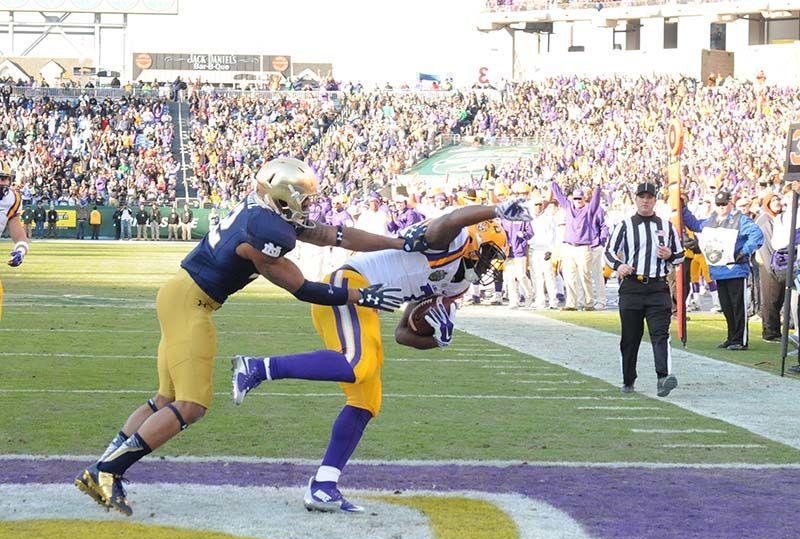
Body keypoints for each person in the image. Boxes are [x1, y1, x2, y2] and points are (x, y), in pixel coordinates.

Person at [74, 157, 428, 516]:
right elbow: (302, 288)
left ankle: (102, 469)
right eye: (303, 199)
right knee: (191, 405)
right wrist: (359, 295)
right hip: (192, 304)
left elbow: (332, 235)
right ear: (283, 196)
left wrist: (398, 244)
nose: (309, 206)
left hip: (178, 294)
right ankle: (107, 470)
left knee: (165, 399)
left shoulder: (265, 213)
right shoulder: (266, 232)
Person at [229, 195, 532, 513]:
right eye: (487, 254)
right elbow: (452, 219)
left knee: (366, 401)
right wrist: (496, 209)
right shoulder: (451, 240)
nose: (487, 265)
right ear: (476, 241)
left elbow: (404, 334)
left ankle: (323, 486)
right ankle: (257, 368)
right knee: (355, 362)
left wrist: (439, 341)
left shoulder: (456, 288)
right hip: (348, 287)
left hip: (366, 311)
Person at [605, 182, 684, 396]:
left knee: (661, 334)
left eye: (649, 197)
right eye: (642, 197)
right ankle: (628, 380)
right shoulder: (625, 225)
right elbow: (609, 251)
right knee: (630, 337)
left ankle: (663, 377)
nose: (645, 201)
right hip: (632, 285)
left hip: (658, 286)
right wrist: (619, 266)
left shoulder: (666, 226)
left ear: (655, 200)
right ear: (636, 199)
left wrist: (669, 255)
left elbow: (680, 254)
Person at [682, 190, 764, 350]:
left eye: (724, 204)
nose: (721, 207)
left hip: (735, 268)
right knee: (726, 306)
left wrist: (744, 251)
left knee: (738, 306)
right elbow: (695, 224)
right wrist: (682, 208)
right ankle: (731, 337)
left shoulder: (740, 219)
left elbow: (757, 234)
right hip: (719, 269)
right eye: (718, 204)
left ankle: (740, 340)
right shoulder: (712, 220)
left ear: (730, 203)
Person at [551, 180, 603, 311]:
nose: (578, 200)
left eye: (580, 198)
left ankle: (589, 303)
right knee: (569, 277)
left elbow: (595, 202)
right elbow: (559, 195)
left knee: (585, 275)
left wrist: (597, 187)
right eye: (576, 198)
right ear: (573, 199)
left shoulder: (588, 210)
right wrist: (553, 182)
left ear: (584, 199)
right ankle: (571, 304)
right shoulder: (568, 208)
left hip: (583, 247)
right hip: (569, 247)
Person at [0, 163, 30, 320]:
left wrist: (20, 251)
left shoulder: (12, 199)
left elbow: (19, 236)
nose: (1, 182)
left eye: (3, 178)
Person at [755, 192, 785, 342]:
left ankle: (774, 331)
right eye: (773, 200)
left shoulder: (776, 218)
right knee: (770, 298)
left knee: (777, 298)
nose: (777, 202)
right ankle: (770, 332)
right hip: (771, 265)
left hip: (777, 263)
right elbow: (768, 247)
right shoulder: (765, 220)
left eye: (778, 199)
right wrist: (773, 267)